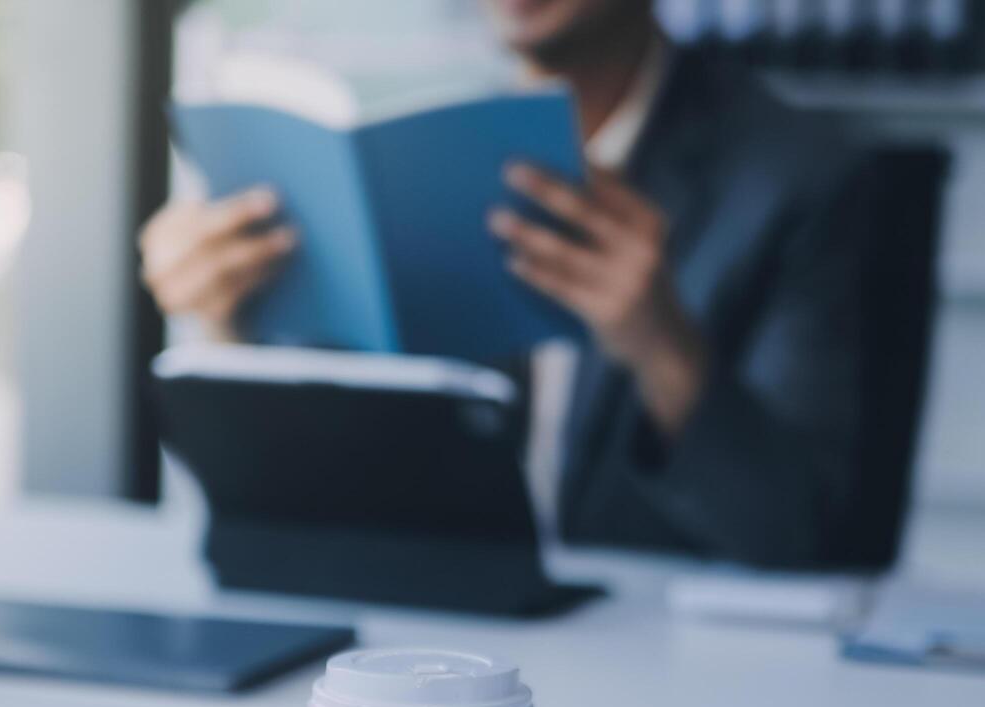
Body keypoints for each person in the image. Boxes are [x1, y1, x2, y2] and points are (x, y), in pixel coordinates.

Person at [139, 0, 873, 568]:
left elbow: (802, 537)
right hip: (448, 659)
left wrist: (663, 349)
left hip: (678, 676)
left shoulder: (798, 176)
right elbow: (330, 497)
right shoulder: (424, 156)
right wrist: (227, 330)